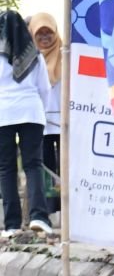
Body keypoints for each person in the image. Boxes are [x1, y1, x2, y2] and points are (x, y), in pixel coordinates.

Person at [0, 10, 52, 235]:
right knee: (33, 165)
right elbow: (45, 89)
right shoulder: (34, 55)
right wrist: (42, 113)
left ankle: (11, 225)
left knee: (6, 168)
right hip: (32, 112)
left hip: (3, 115)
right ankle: (39, 216)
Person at [26, 13, 63, 215]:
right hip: (41, 120)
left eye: (49, 32)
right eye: (40, 33)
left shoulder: (66, 54)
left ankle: (68, 206)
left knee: (66, 164)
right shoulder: (29, 59)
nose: (45, 37)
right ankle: (49, 207)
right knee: (46, 166)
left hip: (65, 120)